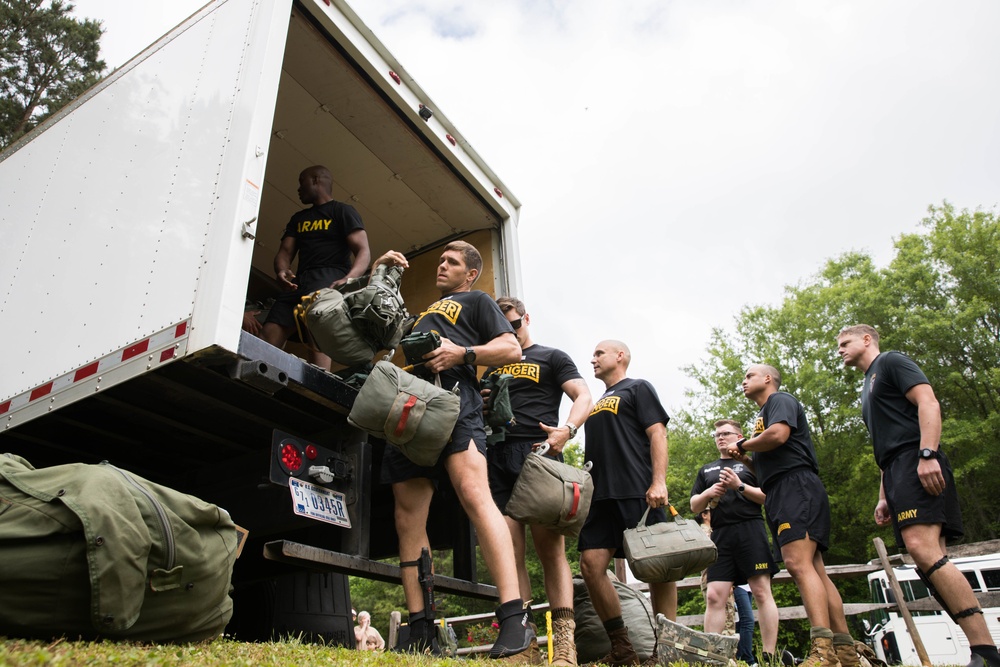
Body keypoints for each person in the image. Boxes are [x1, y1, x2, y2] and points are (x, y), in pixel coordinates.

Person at [372, 243, 532, 660]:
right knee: (406, 517)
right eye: (441, 261)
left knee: (476, 497)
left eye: (452, 263)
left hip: (456, 403)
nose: (442, 266)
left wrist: (463, 353)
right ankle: (420, 627)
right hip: (409, 407)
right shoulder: (421, 314)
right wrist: (377, 272)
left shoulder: (476, 302)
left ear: (470, 274)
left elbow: (511, 348)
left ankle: (514, 619)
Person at [837, 325, 1000, 667]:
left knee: (922, 549)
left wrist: (928, 454)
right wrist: (884, 496)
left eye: (844, 343)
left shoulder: (892, 362)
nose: (839, 350)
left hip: (917, 458)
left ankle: (986, 652)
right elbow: (884, 446)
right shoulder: (866, 387)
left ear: (867, 339)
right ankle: (982, 652)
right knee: (926, 564)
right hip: (895, 470)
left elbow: (928, 402)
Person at [482, 296, 594, 667]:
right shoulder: (492, 366)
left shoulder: (551, 356)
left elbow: (583, 395)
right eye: (503, 326)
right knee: (509, 553)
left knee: (551, 551)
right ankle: (524, 644)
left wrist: (568, 429)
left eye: (514, 324)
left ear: (526, 318)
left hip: (541, 457)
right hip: (497, 457)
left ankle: (565, 646)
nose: (510, 331)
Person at [735, 364, 859, 667]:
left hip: (796, 487)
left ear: (767, 379)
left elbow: (778, 435)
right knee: (814, 568)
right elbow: (767, 466)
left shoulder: (779, 401)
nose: (743, 381)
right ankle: (845, 651)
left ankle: (823, 650)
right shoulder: (761, 417)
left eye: (749, 375)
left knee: (797, 564)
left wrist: (741, 444)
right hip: (781, 490)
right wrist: (748, 460)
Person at [578, 340, 676, 667]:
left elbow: (658, 433)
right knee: (591, 565)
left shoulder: (637, 388)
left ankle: (665, 651)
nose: (592, 359)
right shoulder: (599, 401)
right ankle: (622, 647)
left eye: (598, 353)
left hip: (638, 490)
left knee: (657, 569)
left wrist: (658, 481)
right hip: (601, 496)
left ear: (619, 356)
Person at [261, 165, 371, 370]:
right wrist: (282, 270)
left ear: (315, 180)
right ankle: (258, 375)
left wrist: (349, 279)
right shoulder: (299, 218)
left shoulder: (342, 211)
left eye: (301, 182)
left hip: (330, 277)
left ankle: (319, 381)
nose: (298, 189)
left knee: (316, 328)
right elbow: (285, 252)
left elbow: (363, 250)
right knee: (271, 329)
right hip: (299, 281)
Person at [690, 418, 779, 664]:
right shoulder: (706, 470)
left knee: (761, 591)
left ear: (739, 436)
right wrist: (709, 493)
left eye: (726, 433)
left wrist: (739, 487)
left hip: (751, 530)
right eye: (717, 434)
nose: (720, 437)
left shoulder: (752, 463)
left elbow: (768, 497)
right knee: (714, 596)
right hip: (720, 535)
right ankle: (713, 658)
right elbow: (693, 505)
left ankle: (770, 657)